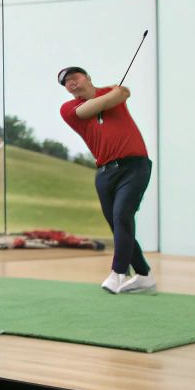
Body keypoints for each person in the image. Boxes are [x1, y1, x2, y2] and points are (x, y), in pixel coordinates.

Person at [57, 65, 155, 295]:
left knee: (122, 215)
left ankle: (117, 273)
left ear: (87, 77)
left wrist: (114, 94)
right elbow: (93, 107)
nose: (71, 83)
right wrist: (112, 95)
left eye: (74, 77)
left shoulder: (112, 93)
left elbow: (123, 92)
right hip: (104, 173)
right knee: (117, 223)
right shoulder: (69, 109)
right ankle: (144, 275)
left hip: (134, 166)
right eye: (66, 83)